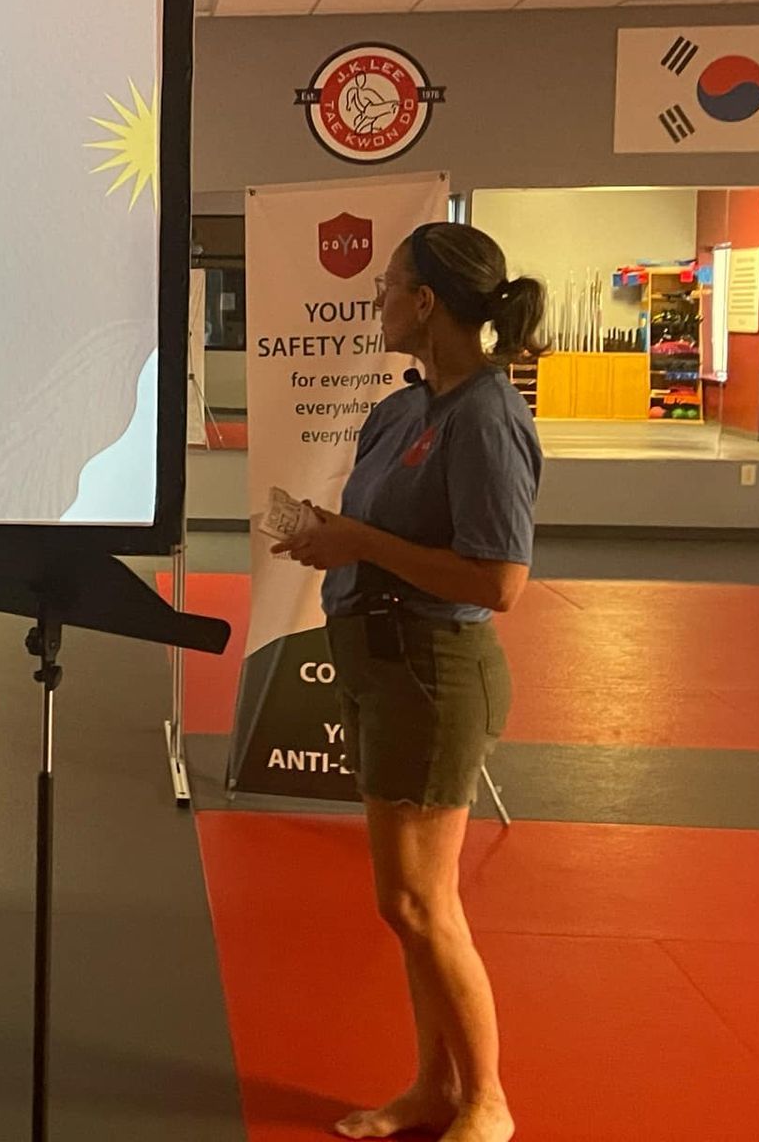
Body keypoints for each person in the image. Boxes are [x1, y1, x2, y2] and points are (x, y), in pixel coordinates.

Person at [274, 221, 545, 1142]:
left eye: (388, 285)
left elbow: (498, 582)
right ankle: (435, 1088)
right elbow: (383, 530)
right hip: (380, 662)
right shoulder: (404, 409)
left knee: (421, 902)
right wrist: (331, 534)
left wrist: (360, 542)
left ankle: (487, 1101)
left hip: (435, 670)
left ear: (425, 303)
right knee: (408, 907)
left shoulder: (488, 417)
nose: (377, 299)